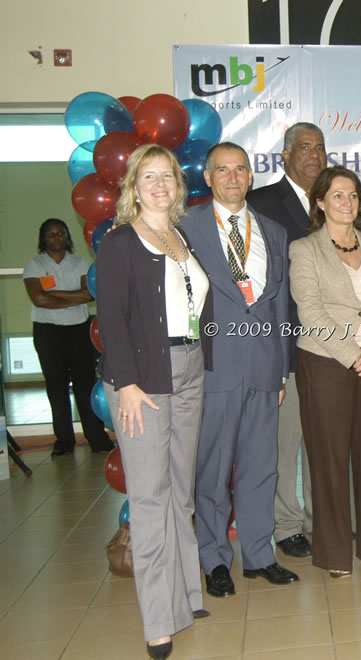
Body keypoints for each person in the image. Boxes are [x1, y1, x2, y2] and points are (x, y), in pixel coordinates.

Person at [97, 144, 213, 659]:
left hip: (188, 371)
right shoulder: (121, 242)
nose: (160, 184)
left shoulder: (179, 236)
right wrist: (125, 383)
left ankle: (189, 593)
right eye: (149, 176)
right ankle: (158, 622)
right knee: (149, 499)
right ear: (133, 187)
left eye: (167, 175)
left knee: (180, 491)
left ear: (178, 185)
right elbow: (113, 319)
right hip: (142, 380)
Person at [182, 142, 299, 598]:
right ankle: (213, 559)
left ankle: (259, 555)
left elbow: (282, 306)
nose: (233, 177)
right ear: (207, 178)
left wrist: (284, 368)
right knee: (211, 471)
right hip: (214, 367)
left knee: (260, 466)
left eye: (241, 170)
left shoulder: (272, 231)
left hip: (266, 367)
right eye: (222, 170)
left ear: (251, 176)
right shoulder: (185, 227)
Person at [290, 166, 361, 576]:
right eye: (337, 195)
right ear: (320, 202)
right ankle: (334, 554)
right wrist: (352, 355)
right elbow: (311, 312)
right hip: (325, 364)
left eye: (353, 195)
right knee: (329, 459)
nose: (347, 203)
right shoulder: (304, 250)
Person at [246, 121, 327, 559]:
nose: (314, 155)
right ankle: (287, 524)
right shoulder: (260, 203)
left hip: (335, 349)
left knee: (326, 440)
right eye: (304, 147)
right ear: (285, 156)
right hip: (288, 348)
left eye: (320, 147)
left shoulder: (337, 201)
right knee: (285, 444)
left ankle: (323, 519)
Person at [24, 218, 114, 456]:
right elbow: (39, 299)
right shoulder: (34, 265)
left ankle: (97, 438)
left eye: (60, 233)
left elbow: (90, 294)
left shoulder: (80, 263)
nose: (56, 238)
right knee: (57, 388)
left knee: (85, 386)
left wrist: (55, 295)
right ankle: (64, 441)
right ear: (43, 239)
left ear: (67, 237)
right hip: (48, 332)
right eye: (51, 234)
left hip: (78, 331)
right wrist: (73, 296)